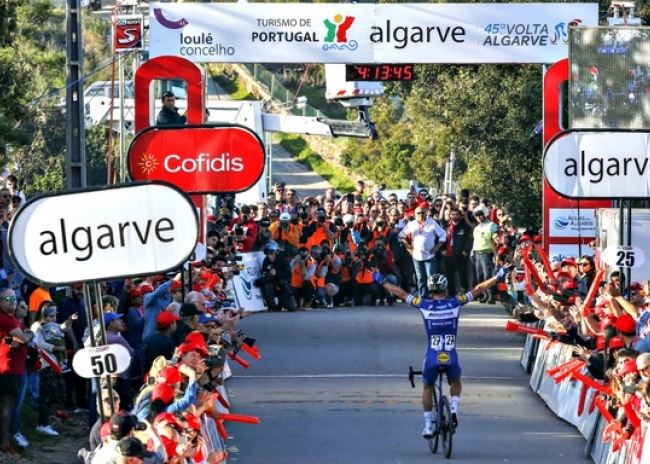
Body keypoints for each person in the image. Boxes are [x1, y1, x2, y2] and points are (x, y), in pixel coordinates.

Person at [372, 265, 509, 437]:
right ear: (445, 288)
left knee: (427, 387)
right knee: (456, 381)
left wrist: (382, 281)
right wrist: (497, 276)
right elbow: (478, 289)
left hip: (432, 356)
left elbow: (401, 293)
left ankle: (428, 426)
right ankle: (454, 410)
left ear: (430, 290)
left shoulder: (424, 304)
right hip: (450, 354)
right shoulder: (455, 303)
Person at [0, 287, 34, 457]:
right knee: (7, 405)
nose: (12, 301)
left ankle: (7, 440)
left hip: (15, 367)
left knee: (11, 404)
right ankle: (4, 443)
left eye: (14, 298)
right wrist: (24, 338)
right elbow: (25, 337)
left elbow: (26, 334)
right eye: (8, 299)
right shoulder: (4, 319)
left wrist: (24, 337)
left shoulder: (13, 319)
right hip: (7, 368)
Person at [398, 205, 447, 297]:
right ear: (415, 215)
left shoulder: (432, 223)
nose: (420, 215)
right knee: (420, 278)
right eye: (418, 213)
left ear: (426, 213)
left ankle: (433, 296)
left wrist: (437, 247)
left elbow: (443, 234)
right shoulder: (411, 224)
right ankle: (422, 297)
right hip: (416, 256)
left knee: (431, 278)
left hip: (429, 255)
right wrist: (407, 246)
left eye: (422, 213)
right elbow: (401, 235)